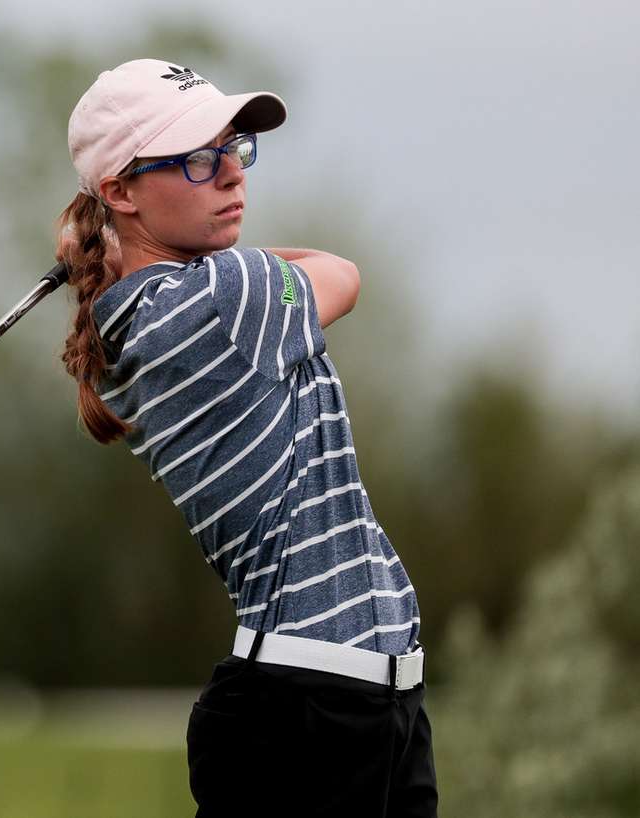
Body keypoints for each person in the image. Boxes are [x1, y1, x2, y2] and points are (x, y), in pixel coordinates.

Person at [56, 59, 439, 817]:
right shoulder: (219, 299)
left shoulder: (153, 310)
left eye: (233, 149)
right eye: (198, 159)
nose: (232, 173)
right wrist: (144, 248)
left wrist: (114, 245)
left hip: (346, 703)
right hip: (309, 712)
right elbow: (342, 272)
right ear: (121, 191)